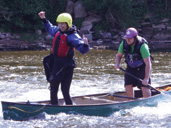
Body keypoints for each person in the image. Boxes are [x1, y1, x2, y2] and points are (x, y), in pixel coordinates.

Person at [38, 11, 90, 105]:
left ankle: (69, 108)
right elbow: (49, 28)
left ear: (68, 24)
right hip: (56, 62)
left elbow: (82, 50)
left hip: (67, 65)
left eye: (62, 23)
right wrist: (44, 19)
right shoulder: (57, 31)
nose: (60, 25)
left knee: (64, 90)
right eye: (59, 23)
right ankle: (54, 107)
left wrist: (85, 45)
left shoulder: (73, 36)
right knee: (53, 87)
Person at [115, 27, 152, 98]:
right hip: (130, 66)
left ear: (135, 38)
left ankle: (147, 101)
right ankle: (130, 101)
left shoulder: (143, 46)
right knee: (128, 84)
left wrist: (146, 79)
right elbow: (118, 55)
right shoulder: (123, 43)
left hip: (143, 67)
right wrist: (117, 63)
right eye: (127, 38)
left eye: (130, 38)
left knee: (144, 86)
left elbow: (148, 63)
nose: (128, 40)